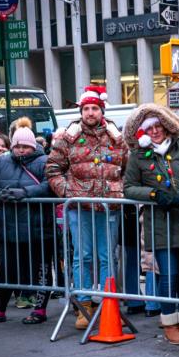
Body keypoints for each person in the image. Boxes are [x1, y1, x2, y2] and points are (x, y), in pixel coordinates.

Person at [123, 103, 179, 346]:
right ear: (142, 132)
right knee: (169, 276)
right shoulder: (138, 156)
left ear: (166, 125)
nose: (154, 131)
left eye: (157, 126)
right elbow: (128, 187)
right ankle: (170, 323)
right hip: (161, 225)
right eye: (148, 128)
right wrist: (152, 194)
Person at [46, 85, 128, 330]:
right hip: (79, 208)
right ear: (81, 111)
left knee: (107, 258)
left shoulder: (116, 137)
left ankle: (107, 304)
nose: (90, 112)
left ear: (101, 110)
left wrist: (119, 191)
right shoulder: (66, 138)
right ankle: (83, 307)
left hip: (109, 207)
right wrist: (70, 192)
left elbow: (127, 169)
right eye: (86, 108)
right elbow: (52, 170)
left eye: (95, 108)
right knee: (82, 256)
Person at [0, 122, 55, 325]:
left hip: (39, 228)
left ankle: (40, 310)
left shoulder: (44, 161)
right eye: (17, 146)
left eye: (25, 146)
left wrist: (27, 193)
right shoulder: (2, 162)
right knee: (6, 272)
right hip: (11, 229)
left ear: (33, 146)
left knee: (41, 271)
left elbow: (52, 185)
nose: (21, 149)